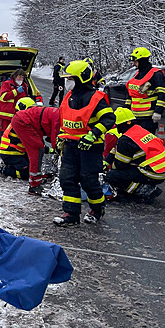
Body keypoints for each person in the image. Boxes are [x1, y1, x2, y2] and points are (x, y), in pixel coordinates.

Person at [54, 60, 115, 226]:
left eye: (71, 79)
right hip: (70, 145)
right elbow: (65, 120)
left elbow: (109, 119)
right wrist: (60, 137)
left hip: (90, 147)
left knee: (88, 180)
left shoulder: (96, 98)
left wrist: (93, 134)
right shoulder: (68, 97)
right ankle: (71, 214)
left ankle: (97, 209)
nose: (67, 82)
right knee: (67, 178)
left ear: (81, 78)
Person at [103, 107, 165, 203]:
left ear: (122, 124)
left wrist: (107, 173)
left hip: (154, 172)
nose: (116, 127)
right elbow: (116, 149)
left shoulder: (126, 139)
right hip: (163, 169)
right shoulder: (138, 130)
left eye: (117, 125)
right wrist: (106, 161)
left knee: (113, 175)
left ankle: (146, 191)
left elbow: (119, 165)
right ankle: (142, 186)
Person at [11, 98, 61, 196]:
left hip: (26, 122)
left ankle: (36, 181)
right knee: (37, 150)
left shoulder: (57, 113)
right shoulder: (59, 117)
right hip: (22, 122)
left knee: (38, 150)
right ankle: (34, 185)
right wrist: (60, 151)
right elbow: (56, 139)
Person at [124, 47, 165, 134]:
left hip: (148, 118)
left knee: (146, 144)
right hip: (134, 117)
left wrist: (158, 111)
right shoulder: (137, 74)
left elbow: (163, 94)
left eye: (136, 61)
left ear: (142, 61)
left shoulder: (156, 75)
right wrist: (126, 109)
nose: (134, 64)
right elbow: (131, 94)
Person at [0, 97, 37, 181]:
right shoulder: (22, 124)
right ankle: (3, 170)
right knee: (26, 173)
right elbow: (31, 142)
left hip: (15, 152)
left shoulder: (21, 121)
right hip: (11, 153)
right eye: (31, 109)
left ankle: (8, 166)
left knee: (32, 166)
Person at [0, 68, 30, 139]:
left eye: (22, 77)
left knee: (15, 135)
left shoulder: (24, 86)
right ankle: (2, 147)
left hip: (18, 116)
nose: (21, 79)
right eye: (19, 76)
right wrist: (16, 91)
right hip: (5, 115)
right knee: (4, 133)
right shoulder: (6, 84)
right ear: (15, 76)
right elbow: (3, 97)